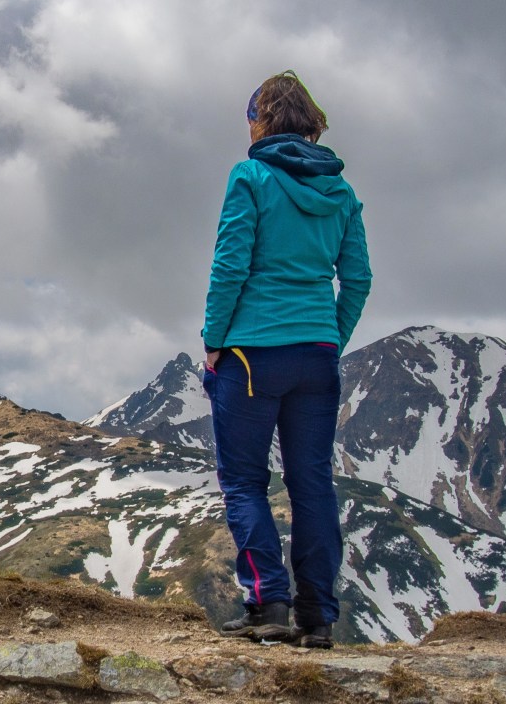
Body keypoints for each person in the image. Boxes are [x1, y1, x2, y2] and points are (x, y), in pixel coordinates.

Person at [200, 70, 371, 649]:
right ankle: (317, 617)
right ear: (313, 122)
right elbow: (359, 279)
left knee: (244, 481)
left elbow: (231, 265)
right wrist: (331, 338)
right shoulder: (342, 193)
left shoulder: (249, 175)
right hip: (316, 357)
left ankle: (267, 602)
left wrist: (213, 340)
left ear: (259, 122)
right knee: (313, 483)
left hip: (250, 353)